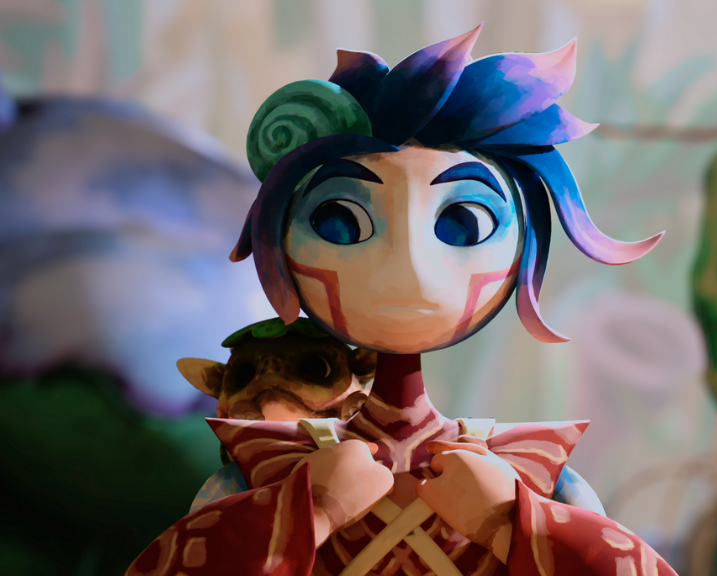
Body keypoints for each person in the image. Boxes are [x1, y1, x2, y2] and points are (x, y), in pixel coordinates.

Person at [125, 25, 675, 576]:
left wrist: (512, 522)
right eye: (338, 221)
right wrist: (307, 513)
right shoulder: (265, 473)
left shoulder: (531, 475)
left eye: (464, 223)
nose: (408, 262)